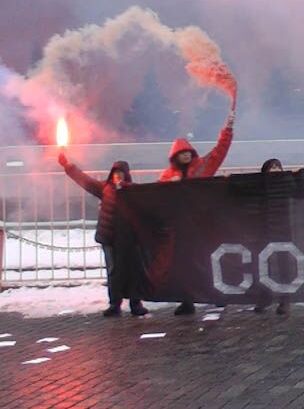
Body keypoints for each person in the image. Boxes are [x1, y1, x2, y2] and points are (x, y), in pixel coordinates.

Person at [158, 108, 235, 315]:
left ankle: (217, 295)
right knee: (183, 265)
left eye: (187, 153)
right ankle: (187, 300)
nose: (185, 155)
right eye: (181, 153)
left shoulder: (203, 167)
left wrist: (227, 129)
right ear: (175, 156)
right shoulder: (167, 176)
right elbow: (157, 195)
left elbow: (220, 150)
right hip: (181, 227)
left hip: (202, 224)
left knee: (207, 260)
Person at [59, 153, 147, 317]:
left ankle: (135, 303)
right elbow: (85, 180)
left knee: (133, 270)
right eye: (115, 172)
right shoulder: (105, 189)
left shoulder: (133, 191)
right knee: (113, 271)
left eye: (121, 173)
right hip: (110, 238)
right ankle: (115, 304)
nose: (118, 176)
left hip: (128, 239)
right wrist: (68, 166)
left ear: (126, 175)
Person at [254, 158, 293, 316]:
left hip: (282, 229)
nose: (276, 169)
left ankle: (284, 300)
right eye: (272, 167)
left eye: (278, 166)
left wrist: (299, 176)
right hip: (264, 229)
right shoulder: (259, 186)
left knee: (283, 265)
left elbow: (300, 192)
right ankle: (265, 296)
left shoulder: (287, 185)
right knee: (263, 265)